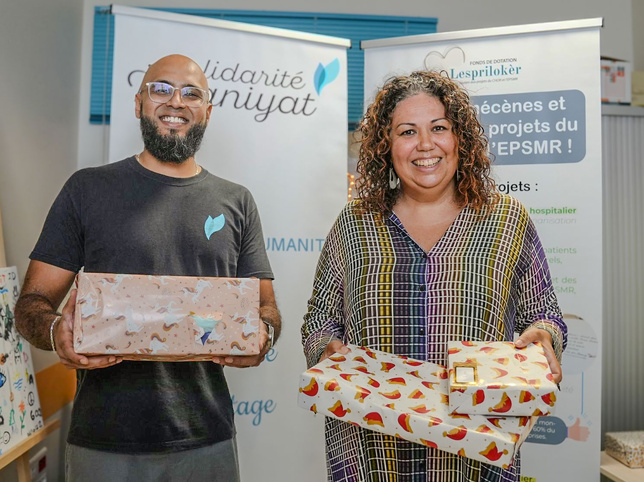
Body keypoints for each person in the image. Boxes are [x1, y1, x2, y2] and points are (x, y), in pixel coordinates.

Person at [15, 54, 281, 482]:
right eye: (161, 88)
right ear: (138, 102)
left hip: (207, 439)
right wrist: (54, 332)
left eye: (191, 93)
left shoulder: (237, 201)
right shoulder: (87, 189)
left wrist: (263, 336)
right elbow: (32, 302)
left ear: (207, 112)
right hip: (103, 441)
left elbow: (266, 309)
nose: (176, 101)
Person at [301, 71, 566, 482]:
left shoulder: (506, 221)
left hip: (476, 454)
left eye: (439, 127)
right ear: (386, 147)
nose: (426, 144)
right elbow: (320, 317)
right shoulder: (355, 225)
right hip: (370, 452)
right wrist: (327, 352)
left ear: (459, 137)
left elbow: (544, 312)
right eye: (407, 131)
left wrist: (545, 336)